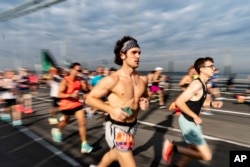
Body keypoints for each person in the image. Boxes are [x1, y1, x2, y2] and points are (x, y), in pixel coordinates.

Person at [86, 36, 149, 167]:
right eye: (134, 52)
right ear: (122, 55)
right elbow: (90, 99)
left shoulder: (143, 79)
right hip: (116, 127)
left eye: (139, 53)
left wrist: (145, 101)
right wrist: (111, 109)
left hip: (132, 126)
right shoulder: (113, 80)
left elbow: (145, 96)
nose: (138, 56)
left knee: (115, 154)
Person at [162, 57, 223, 167]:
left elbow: (197, 101)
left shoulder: (203, 84)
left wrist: (211, 104)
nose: (213, 68)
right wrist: (194, 116)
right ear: (202, 69)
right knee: (207, 156)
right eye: (211, 66)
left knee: (190, 152)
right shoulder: (197, 84)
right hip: (189, 122)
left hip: (190, 122)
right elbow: (180, 101)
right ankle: (172, 148)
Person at [51, 62, 93, 153]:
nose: (79, 72)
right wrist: (70, 95)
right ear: (71, 70)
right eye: (77, 70)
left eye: (80, 70)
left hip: (77, 104)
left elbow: (87, 89)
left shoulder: (79, 80)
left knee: (82, 122)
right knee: (65, 121)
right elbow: (59, 94)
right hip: (66, 105)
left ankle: (84, 144)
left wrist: (85, 84)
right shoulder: (65, 80)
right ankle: (57, 130)